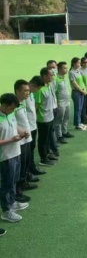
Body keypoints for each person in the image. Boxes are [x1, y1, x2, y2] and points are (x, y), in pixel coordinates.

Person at [0, 93, 29, 223]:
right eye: (11, 108)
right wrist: (11, 140)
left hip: (16, 152)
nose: (12, 111)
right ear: (4, 105)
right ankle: (6, 211)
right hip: (5, 156)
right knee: (7, 183)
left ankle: (12, 202)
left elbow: (14, 125)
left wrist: (22, 131)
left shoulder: (10, 114)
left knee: (14, 180)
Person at [14, 80, 38, 197]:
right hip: (20, 142)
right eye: (25, 91)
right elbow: (11, 122)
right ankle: (18, 190)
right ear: (17, 91)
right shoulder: (12, 104)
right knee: (20, 166)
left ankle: (23, 182)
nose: (28, 93)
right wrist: (20, 132)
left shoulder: (23, 102)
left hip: (27, 138)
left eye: (28, 90)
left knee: (25, 163)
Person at [34, 68, 56, 166]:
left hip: (50, 116)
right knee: (43, 140)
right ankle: (43, 158)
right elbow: (36, 106)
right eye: (50, 75)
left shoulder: (48, 85)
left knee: (47, 138)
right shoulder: (39, 90)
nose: (52, 76)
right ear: (44, 76)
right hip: (43, 119)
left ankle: (47, 153)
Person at [26, 76, 46, 177]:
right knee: (27, 151)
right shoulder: (24, 95)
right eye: (37, 88)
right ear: (33, 85)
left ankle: (32, 168)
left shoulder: (31, 94)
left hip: (33, 126)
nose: (37, 90)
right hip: (26, 128)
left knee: (32, 148)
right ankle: (28, 171)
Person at [55, 61, 74, 144]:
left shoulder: (64, 77)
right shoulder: (56, 79)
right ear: (59, 69)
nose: (66, 70)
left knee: (66, 118)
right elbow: (54, 92)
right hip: (60, 103)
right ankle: (59, 136)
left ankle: (64, 132)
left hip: (67, 102)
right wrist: (56, 103)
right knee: (59, 120)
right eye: (64, 68)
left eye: (66, 68)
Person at [69, 57, 87, 131]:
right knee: (77, 109)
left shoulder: (78, 71)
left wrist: (84, 89)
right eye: (78, 63)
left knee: (81, 108)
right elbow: (75, 84)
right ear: (74, 63)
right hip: (76, 92)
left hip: (82, 91)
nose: (80, 64)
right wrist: (82, 91)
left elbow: (81, 81)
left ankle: (79, 122)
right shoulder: (71, 72)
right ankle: (77, 124)